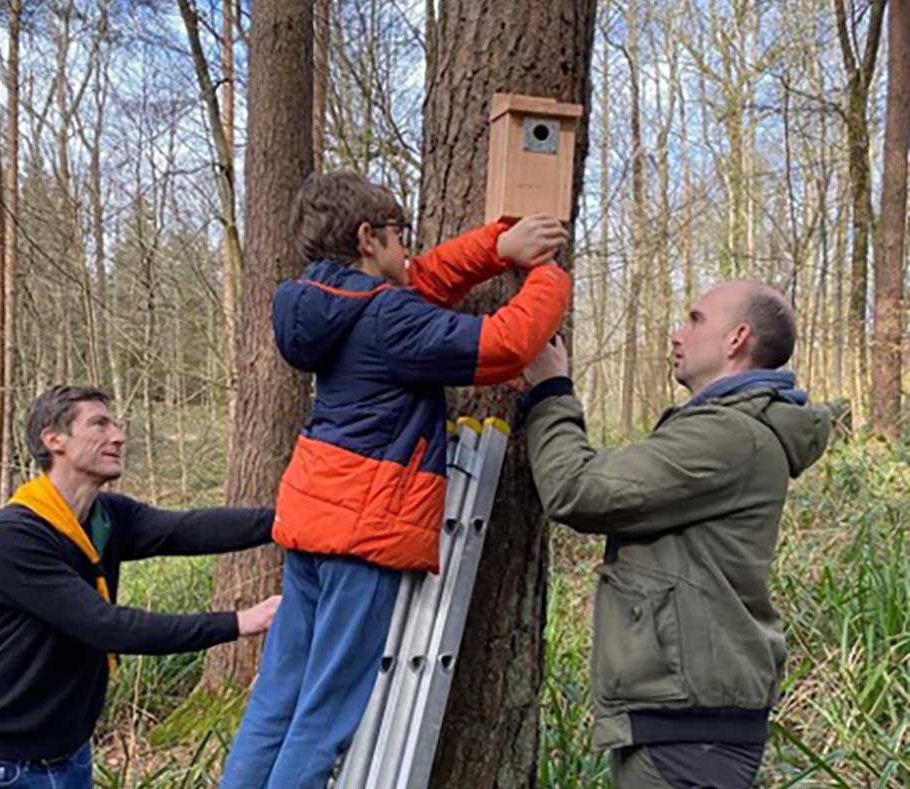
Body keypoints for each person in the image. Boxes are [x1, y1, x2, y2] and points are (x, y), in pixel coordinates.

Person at [219, 171, 572, 788]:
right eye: (397, 236)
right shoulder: (386, 318)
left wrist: (497, 247)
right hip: (362, 529)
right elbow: (507, 345)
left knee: (276, 702)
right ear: (366, 238)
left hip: (311, 521)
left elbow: (416, 285)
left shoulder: (323, 302)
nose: (407, 250)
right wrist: (548, 274)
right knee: (324, 717)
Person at [521, 281, 831, 789]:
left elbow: (576, 490)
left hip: (688, 730)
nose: (676, 334)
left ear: (737, 338)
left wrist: (550, 391)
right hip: (685, 720)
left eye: (694, 319)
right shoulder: (731, 428)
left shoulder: (730, 434)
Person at [0, 385, 282, 789]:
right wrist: (239, 622)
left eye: (116, 424)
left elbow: (186, 529)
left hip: (70, 756)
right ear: (54, 440)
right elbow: (107, 626)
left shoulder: (105, 517)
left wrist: (286, 522)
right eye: (99, 424)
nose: (118, 435)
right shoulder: (14, 536)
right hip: (0, 769)